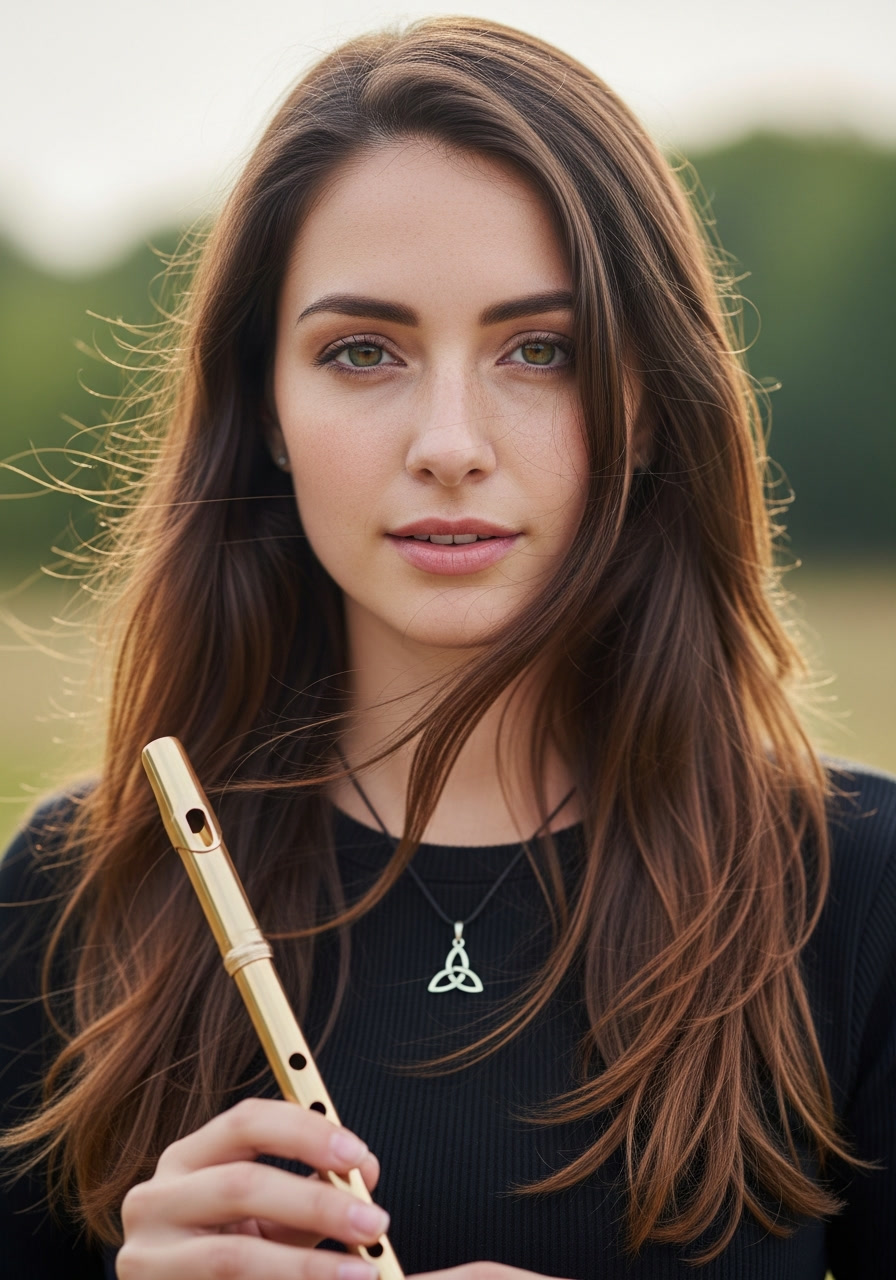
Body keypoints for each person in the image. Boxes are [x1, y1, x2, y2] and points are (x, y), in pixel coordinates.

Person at [1, 15, 893, 1280]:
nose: (450, 440)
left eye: (540, 349)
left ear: (645, 404)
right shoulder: (72, 888)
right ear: (263, 405)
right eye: (363, 351)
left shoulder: (857, 890)